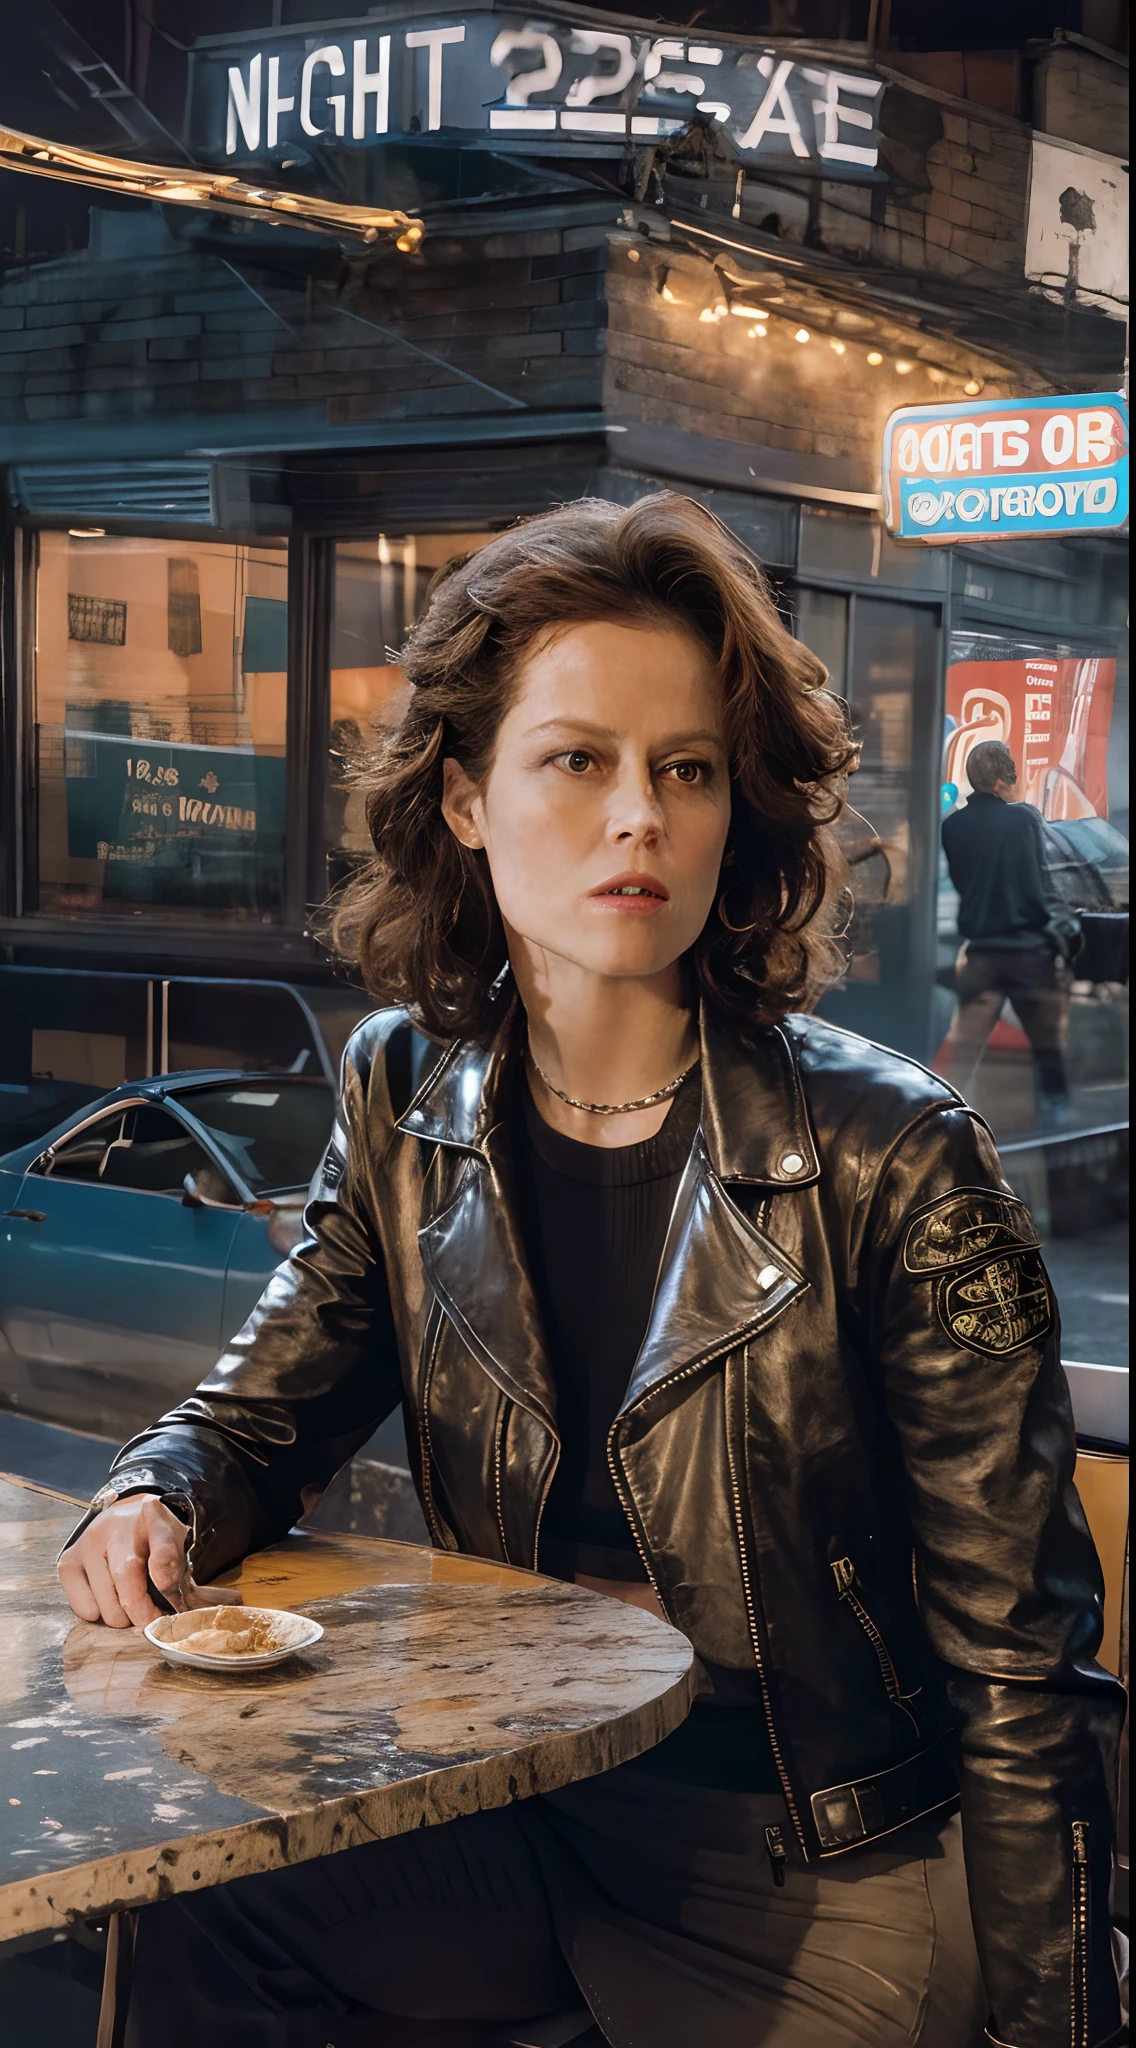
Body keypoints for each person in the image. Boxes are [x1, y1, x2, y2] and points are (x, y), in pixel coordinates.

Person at [59, 498, 1122, 2048]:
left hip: (826, 1863)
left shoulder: (893, 1150)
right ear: (466, 798)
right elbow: (258, 1414)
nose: (642, 816)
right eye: (578, 759)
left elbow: (1022, 1670)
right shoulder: (405, 1086)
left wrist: (1057, 2029)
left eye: (684, 769)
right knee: (181, 1911)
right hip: (528, 1801)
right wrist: (156, 1492)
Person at [940, 739, 1075, 1126]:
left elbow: (969, 880)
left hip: (982, 954)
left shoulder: (953, 825)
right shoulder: (1025, 819)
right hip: (1027, 952)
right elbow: (1042, 885)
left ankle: (944, 1122)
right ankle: (1058, 1123)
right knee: (1047, 1048)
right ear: (1001, 781)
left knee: (963, 1055)